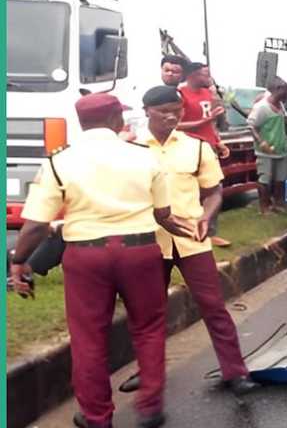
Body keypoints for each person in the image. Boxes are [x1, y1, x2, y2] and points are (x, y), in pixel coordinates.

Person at [9, 93, 195, 428]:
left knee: (89, 336)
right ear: (114, 120)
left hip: (85, 255)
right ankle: (150, 407)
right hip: (140, 252)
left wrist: (19, 260)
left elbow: (37, 224)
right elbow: (163, 212)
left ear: (82, 123)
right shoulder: (146, 157)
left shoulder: (59, 161)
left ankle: (97, 416)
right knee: (149, 327)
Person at [117, 86, 259, 396]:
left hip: (193, 241)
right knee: (148, 312)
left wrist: (207, 217)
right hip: (148, 242)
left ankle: (235, 371)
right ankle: (147, 371)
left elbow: (213, 192)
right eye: (163, 110)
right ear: (146, 111)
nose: (171, 115)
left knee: (213, 306)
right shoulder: (131, 149)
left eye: (177, 110)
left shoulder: (198, 147)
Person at [178, 62, 232, 247]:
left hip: (208, 148)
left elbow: (211, 124)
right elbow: (176, 124)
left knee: (214, 190)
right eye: (204, 74)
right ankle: (190, 229)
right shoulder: (181, 94)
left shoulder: (207, 93)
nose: (207, 78)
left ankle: (210, 232)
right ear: (192, 75)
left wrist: (218, 142)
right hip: (189, 149)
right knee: (194, 192)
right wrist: (204, 120)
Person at [248, 77, 287, 215]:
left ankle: (278, 203)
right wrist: (261, 142)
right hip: (265, 151)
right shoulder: (261, 107)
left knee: (281, 179)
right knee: (264, 180)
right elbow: (251, 126)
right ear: (277, 90)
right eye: (285, 91)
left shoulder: (280, 104)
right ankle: (264, 207)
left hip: (281, 149)